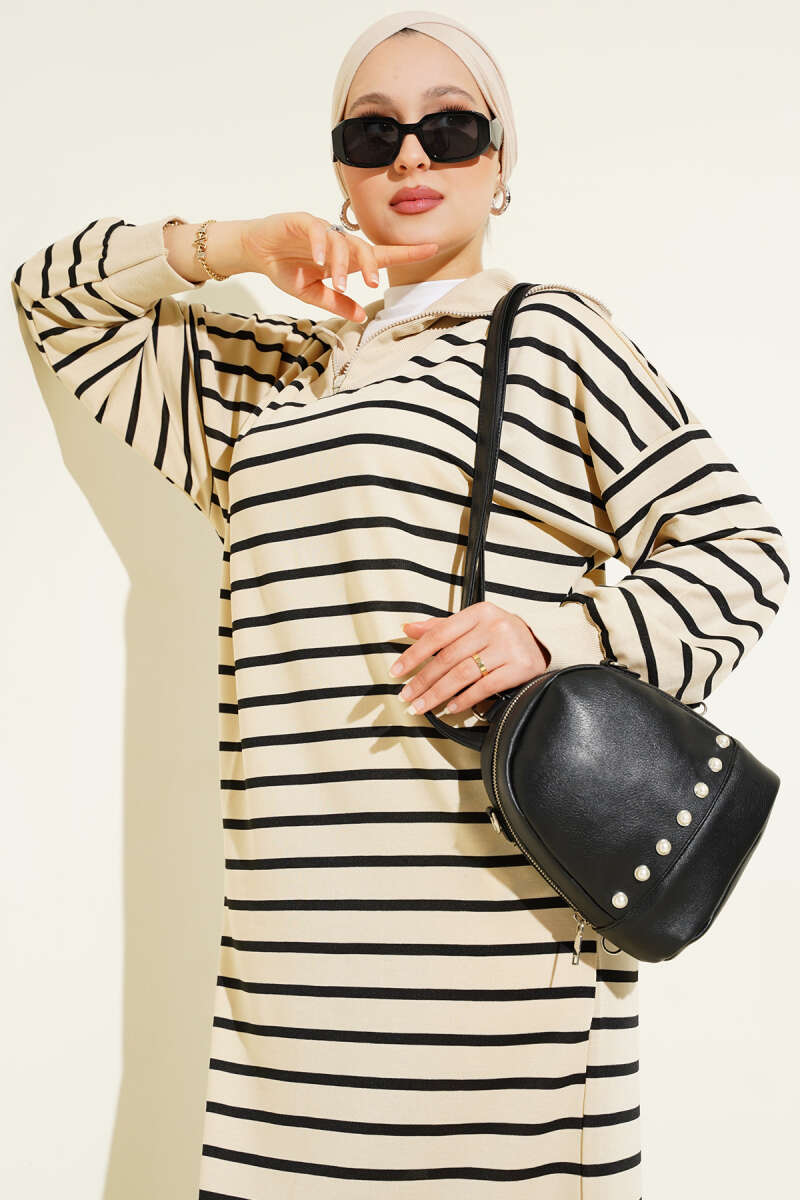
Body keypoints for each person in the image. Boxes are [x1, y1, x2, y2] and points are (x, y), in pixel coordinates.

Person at [9, 9, 790, 1199]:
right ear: (339, 165)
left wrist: (557, 632)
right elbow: (53, 298)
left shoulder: (548, 335)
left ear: (498, 161)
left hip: (496, 952)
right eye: (372, 132)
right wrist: (239, 245)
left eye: (450, 127)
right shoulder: (262, 384)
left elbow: (741, 551)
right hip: (290, 963)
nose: (411, 154)